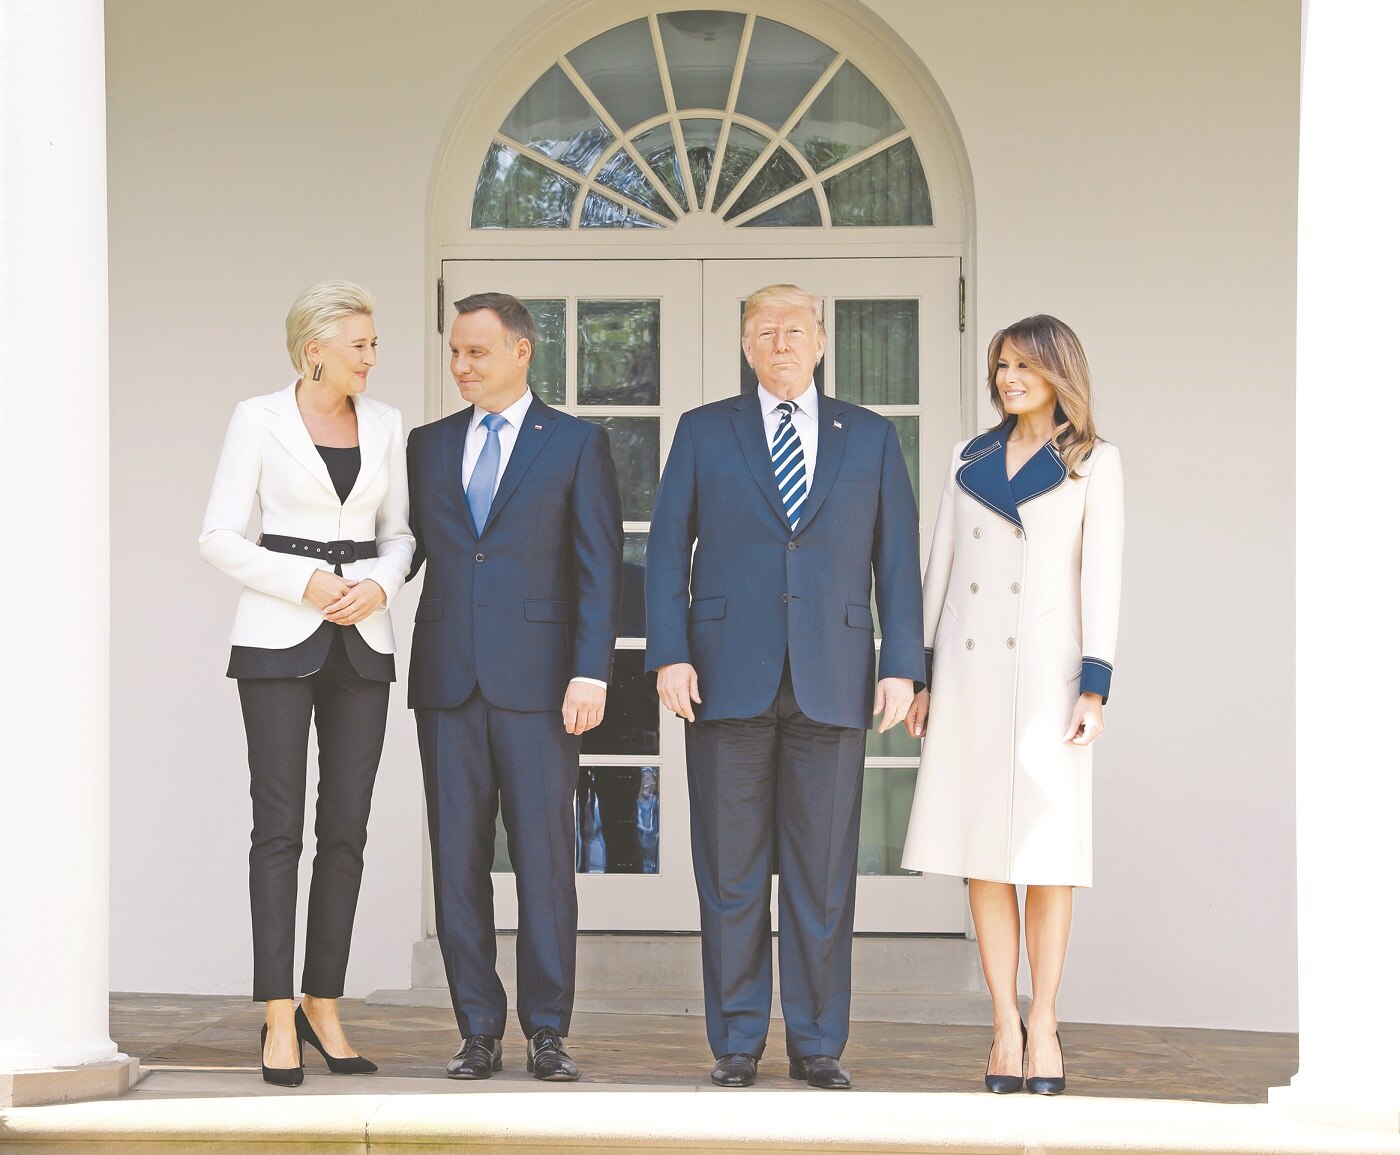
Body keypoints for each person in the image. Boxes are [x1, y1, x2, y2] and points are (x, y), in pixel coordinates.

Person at [646, 283, 924, 1090]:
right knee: (731, 875)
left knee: (822, 873)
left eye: (794, 328)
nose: (779, 341)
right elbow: (666, 551)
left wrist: (901, 662)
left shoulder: (869, 438)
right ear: (745, 344)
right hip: (723, 678)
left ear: (821, 340)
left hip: (834, 680)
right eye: (764, 329)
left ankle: (817, 1043)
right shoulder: (703, 432)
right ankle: (735, 1042)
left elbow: (897, 559)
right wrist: (669, 652)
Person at [901, 314, 1124, 1096]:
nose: (1008, 378)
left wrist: (1095, 684)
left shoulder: (1095, 462)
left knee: (1048, 857)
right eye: (1001, 365)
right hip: (968, 675)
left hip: (1048, 680)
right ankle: (1003, 1021)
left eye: (1024, 364)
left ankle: (1046, 1018)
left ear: (1061, 371)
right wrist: (920, 671)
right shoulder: (970, 457)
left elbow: (1102, 576)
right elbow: (942, 564)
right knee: (982, 858)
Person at [199, 280, 414, 1086]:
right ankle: (277, 1013)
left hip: (364, 636)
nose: (372, 355)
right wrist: (305, 584)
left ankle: (325, 1000)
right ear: (313, 348)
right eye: (359, 343)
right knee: (279, 827)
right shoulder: (257, 419)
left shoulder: (386, 424)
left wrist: (381, 586)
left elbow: (400, 533)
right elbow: (217, 535)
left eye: (374, 342)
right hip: (278, 637)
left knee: (348, 829)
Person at [406, 292, 623, 1082]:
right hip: (447, 683)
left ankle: (547, 1030)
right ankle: (477, 1029)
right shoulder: (426, 446)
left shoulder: (574, 444)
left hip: (541, 686)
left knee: (543, 864)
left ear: (522, 351)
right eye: (456, 352)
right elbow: (409, 547)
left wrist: (591, 668)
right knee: (456, 861)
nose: (462, 365)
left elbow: (599, 568)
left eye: (478, 352)